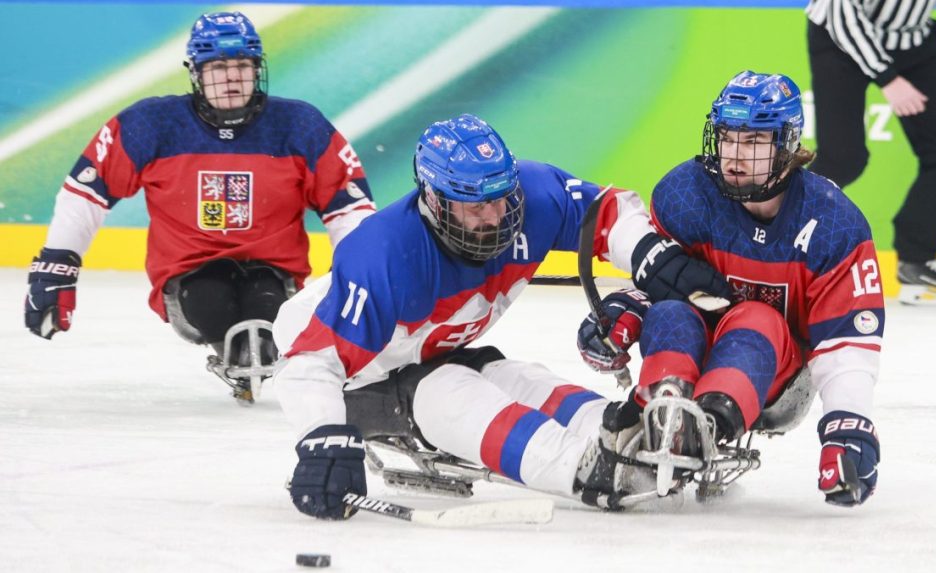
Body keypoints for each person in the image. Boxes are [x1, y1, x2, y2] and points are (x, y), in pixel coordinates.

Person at [272, 113, 734, 519]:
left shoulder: (527, 197)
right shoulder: (384, 258)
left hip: (434, 350)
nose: (496, 217)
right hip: (355, 381)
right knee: (447, 394)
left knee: (521, 380)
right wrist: (323, 438)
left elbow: (606, 210)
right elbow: (310, 363)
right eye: (476, 206)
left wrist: (649, 254)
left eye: (501, 198)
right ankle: (585, 467)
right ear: (434, 200)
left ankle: (630, 433)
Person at [23, 12, 375, 401]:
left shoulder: (300, 125)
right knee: (211, 303)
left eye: (242, 65)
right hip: (188, 274)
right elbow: (85, 193)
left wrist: (360, 277)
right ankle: (232, 346)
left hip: (274, 271)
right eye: (218, 67)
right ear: (196, 73)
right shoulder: (149, 125)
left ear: (258, 69)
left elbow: (348, 206)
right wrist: (56, 268)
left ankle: (254, 345)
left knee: (267, 309)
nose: (231, 77)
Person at [578, 71, 884, 507]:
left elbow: (846, 341)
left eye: (755, 141)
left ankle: (706, 426)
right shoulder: (685, 194)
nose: (735, 156)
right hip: (695, 346)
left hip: (778, 379)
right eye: (728, 137)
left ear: (788, 146)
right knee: (670, 313)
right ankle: (660, 410)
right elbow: (660, 288)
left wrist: (848, 426)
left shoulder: (834, 222)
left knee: (754, 316)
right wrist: (625, 310)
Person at [805, 0, 936, 306]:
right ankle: (774, 248)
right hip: (841, 40)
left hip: (912, 41)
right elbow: (842, 13)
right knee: (843, 158)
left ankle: (917, 261)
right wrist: (887, 78)